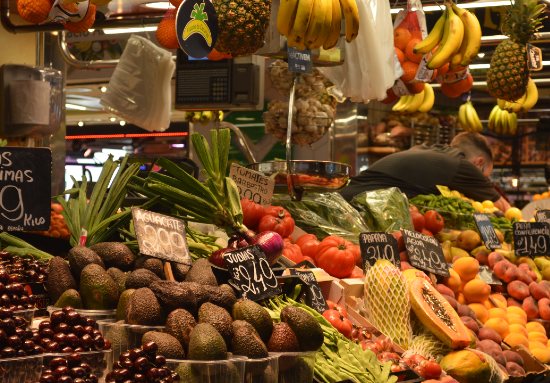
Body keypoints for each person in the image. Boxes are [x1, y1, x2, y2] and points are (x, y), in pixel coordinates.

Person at [340, 132, 511, 212]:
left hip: (347, 201)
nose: (482, 182)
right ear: (479, 162)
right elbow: (506, 211)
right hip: (353, 210)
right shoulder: (463, 166)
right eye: (485, 176)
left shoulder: (430, 151)